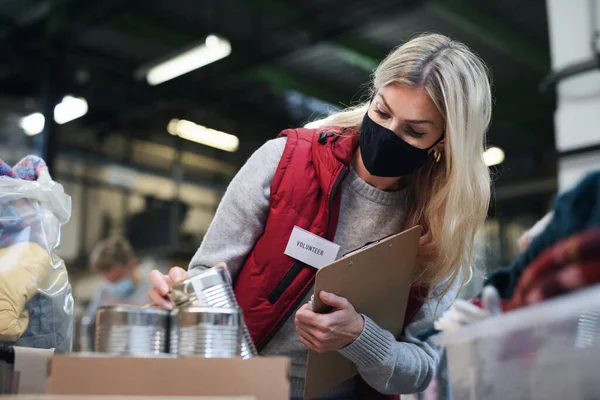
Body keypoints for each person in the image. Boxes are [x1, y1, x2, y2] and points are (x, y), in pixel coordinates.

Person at [148, 32, 492, 399]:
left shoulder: (442, 226)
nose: (388, 132)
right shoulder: (284, 161)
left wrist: (361, 337)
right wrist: (182, 297)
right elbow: (206, 275)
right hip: (241, 385)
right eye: (382, 111)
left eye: (413, 131)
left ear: (443, 143)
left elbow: (420, 370)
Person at [82, 235, 154, 350]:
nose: (113, 286)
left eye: (118, 279)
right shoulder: (103, 293)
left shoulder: (151, 292)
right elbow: (89, 327)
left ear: (131, 264)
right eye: (110, 281)